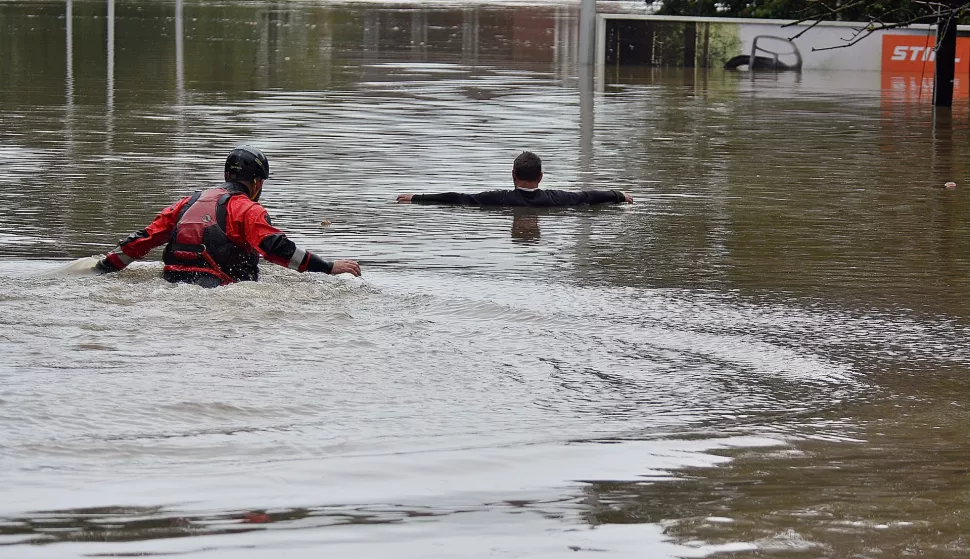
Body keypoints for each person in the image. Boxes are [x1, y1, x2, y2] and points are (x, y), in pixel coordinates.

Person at [95, 145, 360, 287]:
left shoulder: (188, 202)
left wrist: (104, 268)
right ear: (258, 183)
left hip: (170, 281)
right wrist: (328, 267)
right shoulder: (248, 209)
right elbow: (276, 248)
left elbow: (143, 238)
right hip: (217, 289)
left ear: (226, 176)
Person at [396, 151, 634, 206]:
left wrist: (416, 198)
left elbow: (458, 199)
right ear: (541, 177)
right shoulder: (558, 199)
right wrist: (619, 195)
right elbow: (589, 196)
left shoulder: (498, 199)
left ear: (513, 174)